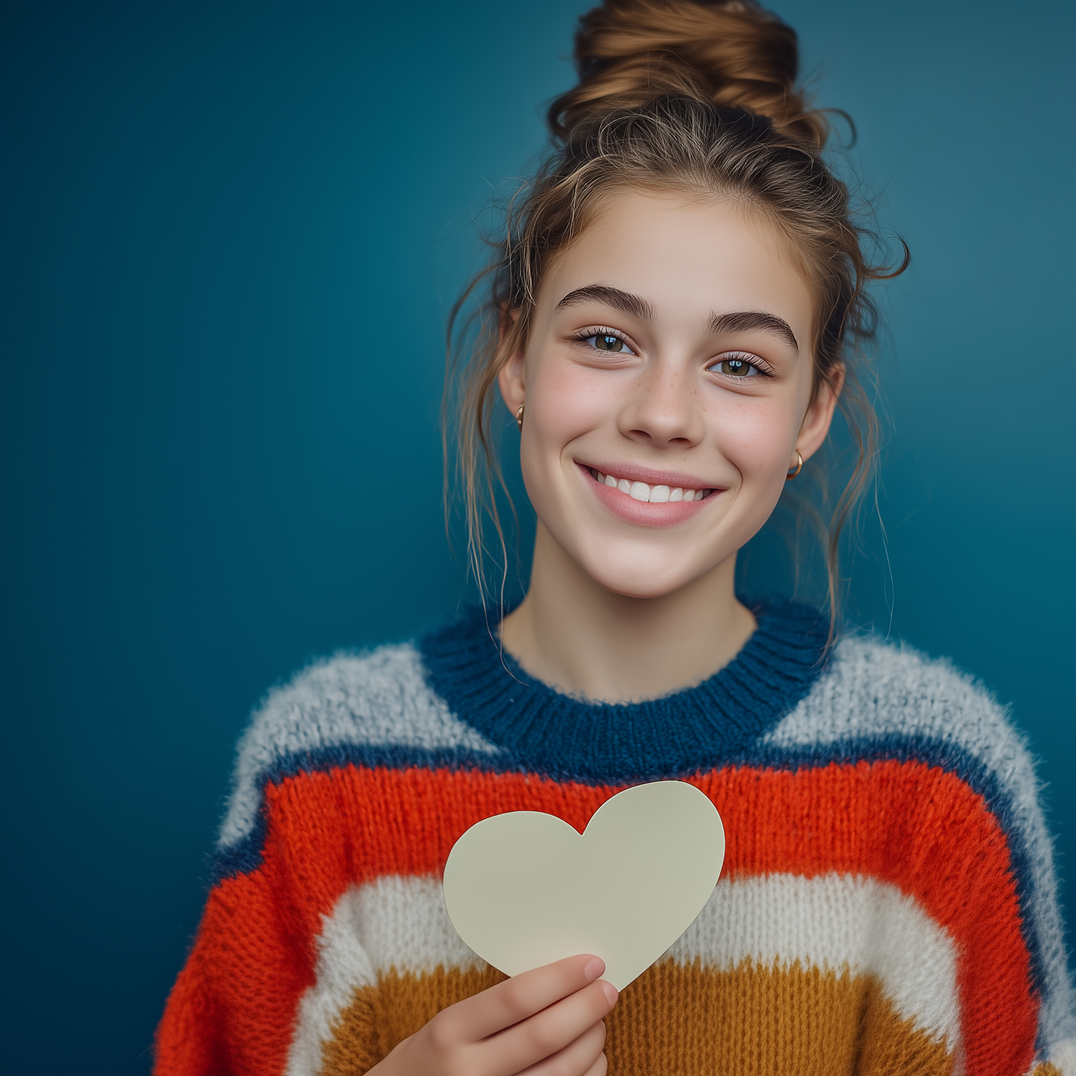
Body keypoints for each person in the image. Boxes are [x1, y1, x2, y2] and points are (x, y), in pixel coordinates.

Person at [153, 1, 1073, 1073]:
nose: (663, 413)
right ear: (515, 356)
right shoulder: (317, 780)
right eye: (604, 337)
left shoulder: (937, 783)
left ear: (811, 413)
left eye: (737, 362)